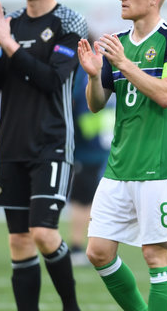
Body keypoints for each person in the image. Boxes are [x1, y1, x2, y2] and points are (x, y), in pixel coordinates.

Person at [77, 0, 167, 311]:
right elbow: (97, 104)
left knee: (155, 256)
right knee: (98, 252)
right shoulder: (117, 43)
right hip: (118, 167)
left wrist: (126, 64)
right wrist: (94, 76)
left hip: (158, 168)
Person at [0, 0, 87, 311]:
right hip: (11, 145)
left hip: (51, 144)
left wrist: (9, 45)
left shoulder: (69, 24)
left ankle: (70, 307)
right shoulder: (9, 24)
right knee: (19, 242)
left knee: (43, 233)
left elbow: (51, 81)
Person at [68, 68, 109, 267]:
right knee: (83, 201)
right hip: (86, 150)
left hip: (93, 149)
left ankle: (82, 247)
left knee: (87, 200)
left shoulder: (86, 75)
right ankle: (77, 247)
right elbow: (84, 118)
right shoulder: (83, 76)